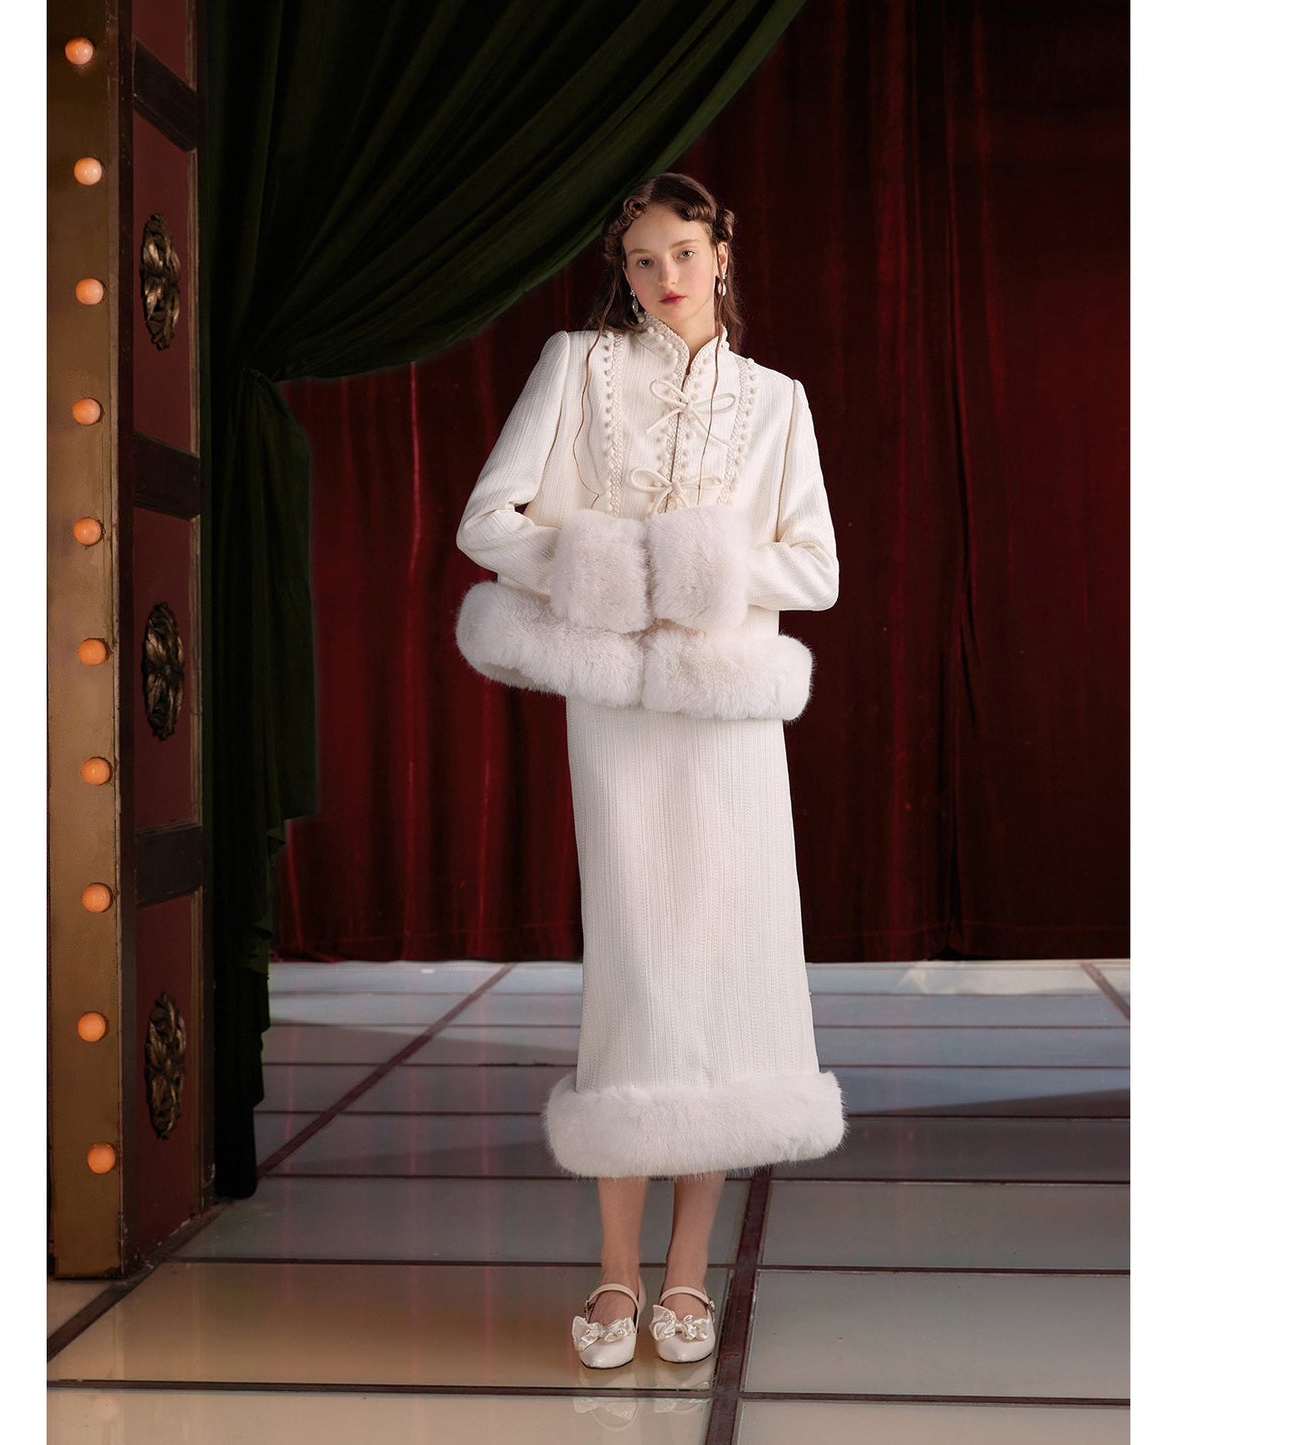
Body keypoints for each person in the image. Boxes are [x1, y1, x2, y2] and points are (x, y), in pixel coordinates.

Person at [455, 172, 845, 1370]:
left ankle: (685, 1272)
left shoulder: (776, 400)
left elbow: (815, 570)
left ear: (722, 251)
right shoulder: (575, 366)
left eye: (682, 250)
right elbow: (487, 522)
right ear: (619, 273)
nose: (664, 275)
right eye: (640, 258)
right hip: (618, 710)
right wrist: (606, 565)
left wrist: (699, 567)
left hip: (726, 718)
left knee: (721, 978)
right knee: (637, 972)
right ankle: (615, 1269)